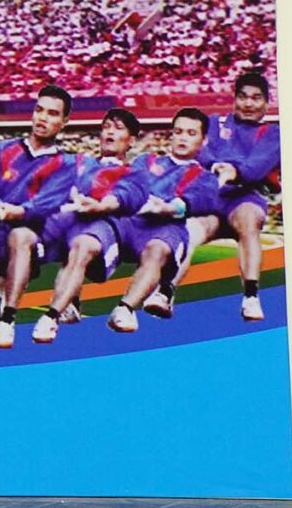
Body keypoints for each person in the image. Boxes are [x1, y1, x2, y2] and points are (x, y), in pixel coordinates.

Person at [0, 85, 74, 349]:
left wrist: (18, 211)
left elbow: (44, 205)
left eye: (52, 113)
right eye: (39, 110)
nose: (43, 118)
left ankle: (6, 321)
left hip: (34, 234)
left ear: (64, 121)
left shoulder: (65, 164)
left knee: (18, 236)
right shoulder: (3, 149)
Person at [104, 109, 222, 332]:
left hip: (166, 229)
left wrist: (168, 207)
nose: (183, 138)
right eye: (178, 132)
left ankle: (125, 308)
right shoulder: (146, 160)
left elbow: (196, 201)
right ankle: (68, 303)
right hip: (130, 222)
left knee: (158, 250)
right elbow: (130, 185)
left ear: (203, 140)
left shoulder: (206, 178)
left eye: (191, 133)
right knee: (86, 231)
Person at [33, 109, 140, 342]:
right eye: (106, 127)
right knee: (18, 238)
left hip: (104, 228)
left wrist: (100, 205)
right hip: (70, 222)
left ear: (131, 140)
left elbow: (122, 197)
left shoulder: (134, 173)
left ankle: (50, 316)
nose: (110, 132)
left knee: (82, 246)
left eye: (118, 128)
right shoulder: (80, 163)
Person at [197, 68, 279, 320]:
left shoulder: (273, 133)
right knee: (183, 230)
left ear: (266, 102)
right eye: (243, 97)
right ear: (234, 99)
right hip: (210, 196)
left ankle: (251, 297)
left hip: (244, 196)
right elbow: (200, 151)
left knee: (248, 221)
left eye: (256, 98)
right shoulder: (214, 122)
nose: (248, 104)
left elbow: (255, 169)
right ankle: (164, 291)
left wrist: (232, 169)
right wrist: (215, 165)